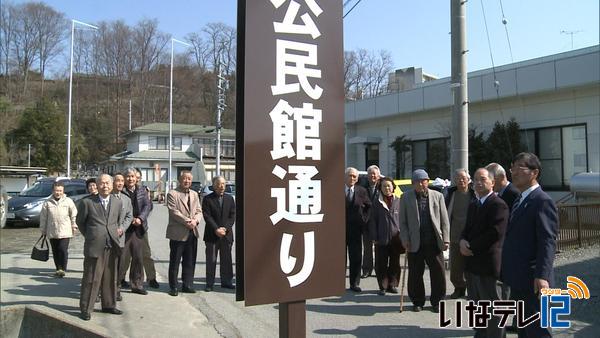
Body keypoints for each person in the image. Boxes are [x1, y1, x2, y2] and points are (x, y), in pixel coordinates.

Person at [501, 153, 558, 338]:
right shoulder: (520, 199)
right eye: (512, 168)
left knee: (538, 329)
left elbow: (547, 241)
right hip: (518, 278)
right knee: (524, 330)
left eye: (519, 168)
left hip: (534, 280)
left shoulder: (542, 201)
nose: (514, 172)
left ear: (534, 173)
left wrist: (542, 276)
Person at [460, 168, 509, 338]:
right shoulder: (474, 203)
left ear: (492, 182)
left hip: (488, 264)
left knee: (493, 306)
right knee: (477, 305)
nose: (478, 183)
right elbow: (466, 228)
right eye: (476, 179)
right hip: (472, 264)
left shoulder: (498, 204)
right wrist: (462, 241)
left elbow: (494, 233)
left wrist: (470, 246)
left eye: (483, 179)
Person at [399, 169, 450, 313]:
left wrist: (446, 239)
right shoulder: (405, 197)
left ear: (428, 181)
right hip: (415, 242)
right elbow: (402, 222)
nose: (421, 184)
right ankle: (417, 301)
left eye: (424, 181)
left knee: (438, 273)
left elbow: (445, 221)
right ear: (412, 183)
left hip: (433, 241)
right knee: (415, 273)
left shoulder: (437, 196)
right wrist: (405, 238)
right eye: (418, 182)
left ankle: (437, 301)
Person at [76, 174, 124, 321]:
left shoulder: (117, 202)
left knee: (110, 277)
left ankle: (109, 305)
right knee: (91, 278)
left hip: (112, 244)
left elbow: (116, 221)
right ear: (96, 185)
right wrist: (92, 235)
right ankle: (86, 308)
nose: (105, 186)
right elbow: (80, 223)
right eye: (102, 183)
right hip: (95, 245)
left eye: (108, 183)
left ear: (112, 185)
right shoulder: (87, 202)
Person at [166, 171, 202, 296]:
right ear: (179, 179)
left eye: (189, 179)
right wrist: (188, 221)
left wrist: (195, 221)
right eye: (184, 178)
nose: (186, 181)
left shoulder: (194, 194)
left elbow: (199, 210)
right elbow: (173, 211)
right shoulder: (172, 193)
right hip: (178, 232)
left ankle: (187, 284)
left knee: (189, 260)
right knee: (175, 260)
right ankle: (174, 286)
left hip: (192, 231)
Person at [118, 167, 152, 295]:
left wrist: (141, 218)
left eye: (132, 176)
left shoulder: (142, 190)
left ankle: (137, 284)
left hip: (138, 228)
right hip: (124, 229)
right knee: (122, 258)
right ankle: (117, 283)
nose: (130, 179)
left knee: (138, 258)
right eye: (128, 176)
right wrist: (130, 219)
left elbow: (147, 206)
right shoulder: (121, 191)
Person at [368, 177, 402, 295]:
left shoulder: (399, 201)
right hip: (381, 238)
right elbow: (372, 221)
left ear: (393, 187)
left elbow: (403, 220)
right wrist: (374, 237)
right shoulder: (376, 203)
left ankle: (392, 284)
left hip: (396, 239)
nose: (387, 188)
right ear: (380, 188)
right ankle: (383, 286)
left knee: (395, 263)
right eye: (384, 186)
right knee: (381, 263)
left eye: (389, 186)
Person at [445, 168, 475, 299]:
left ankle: (472, 290)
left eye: (463, 178)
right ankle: (459, 288)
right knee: (456, 267)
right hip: (455, 235)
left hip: (472, 236)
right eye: (458, 178)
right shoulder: (451, 194)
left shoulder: (474, 194)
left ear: (469, 180)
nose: (461, 180)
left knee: (471, 266)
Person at [202, 176, 235, 292]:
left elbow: (232, 216)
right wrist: (216, 229)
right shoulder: (207, 199)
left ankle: (226, 281)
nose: (221, 186)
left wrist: (225, 229)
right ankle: (209, 283)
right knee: (211, 260)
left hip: (226, 235)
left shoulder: (230, 198)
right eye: (219, 184)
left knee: (226, 259)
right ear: (214, 185)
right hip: (212, 234)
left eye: (223, 184)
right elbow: (207, 216)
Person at [39, 181, 78, 277]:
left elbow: (73, 214)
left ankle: (63, 268)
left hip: (65, 230)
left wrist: (74, 225)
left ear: (63, 191)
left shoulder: (68, 201)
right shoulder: (47, 202)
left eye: (60, 191)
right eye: (56, 190)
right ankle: (58, 268)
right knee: (55, 250)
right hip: (52, 230)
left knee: (62, 249)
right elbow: (43, 217)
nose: (58, 193)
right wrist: (43, 230)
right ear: (53, 191)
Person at [344, 167, 371, 292]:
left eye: (354, 176)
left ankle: (354, 283)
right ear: (344, 177)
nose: (352, 178)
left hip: (356, 229)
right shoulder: (335, 190)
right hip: (339, 230)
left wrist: (364, 220)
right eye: (350, 175)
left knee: (355, 257)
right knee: (339, 258)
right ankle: (337, 282)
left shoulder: (362, 191)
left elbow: (369, 207)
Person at [112, 173, 133, 302]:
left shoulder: (126, 199)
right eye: (117, 181)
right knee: (107, 266)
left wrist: (122, 229)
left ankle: (117, 289)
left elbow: (129, 216)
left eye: (121, 181)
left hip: (120, 237)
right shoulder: (107, 197)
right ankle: (100, 290)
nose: (120, 183)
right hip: (107, 238)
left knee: (119, 265)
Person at [360, 165, 380, 278]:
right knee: (367, 247)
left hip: (379, 222)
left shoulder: (382, 186)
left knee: (379, 248)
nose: (372, 176)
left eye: (374, 174)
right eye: (370, 174)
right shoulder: (362, 187)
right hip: (366, 221)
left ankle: (379, 270)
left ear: (378, 176)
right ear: (367, 176)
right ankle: (366, 270)